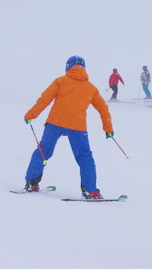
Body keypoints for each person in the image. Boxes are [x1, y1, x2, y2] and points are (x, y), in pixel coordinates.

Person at [23, 55, 114, 199]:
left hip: (55, 122)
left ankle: (32, 182)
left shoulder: (60, 81)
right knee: (84, 156)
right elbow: (103, 109)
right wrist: (108, 129)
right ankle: (90, 190)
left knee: (44, 150)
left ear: (68, 66)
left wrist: (30, 115)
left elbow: (44, 100)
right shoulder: (91, 88)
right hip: (77, 126)